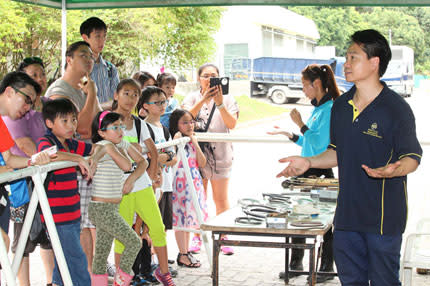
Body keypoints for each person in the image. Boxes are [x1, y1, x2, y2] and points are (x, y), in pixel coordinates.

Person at [277, 29, 422, 286]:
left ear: (374, 62)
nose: (346, 64)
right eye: (347, 57)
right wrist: (309, 162)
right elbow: (336, 152)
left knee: (383, 282)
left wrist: (394, 170)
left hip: (383, 219)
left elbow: (412, 157)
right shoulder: (341, 106)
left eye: (353, 57)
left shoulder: (396, 108)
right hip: (345, 219)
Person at [268, 64, 339, 283]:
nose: (303, 91)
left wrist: (299, 123)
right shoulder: (318, 109)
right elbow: (308, 142)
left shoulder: (331, 109)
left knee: (324, 222)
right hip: (306, 170)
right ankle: (296, 264)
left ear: (316, 84)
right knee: (297, 217)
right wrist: (290, 133)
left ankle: (326, 267)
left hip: (321, 171)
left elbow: (320, 144)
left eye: (304, 86)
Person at [45, 40, 102, 274]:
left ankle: (87, 274)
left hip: (83, 160)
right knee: (74, 230)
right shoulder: (60, 91)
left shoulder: (83, 89)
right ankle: (79, 275)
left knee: (87, 224)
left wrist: (91, 94)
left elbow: (98, 123)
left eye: (91, 57)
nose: (89, 60)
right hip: (69, 166)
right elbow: (86, 129)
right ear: (69, 59)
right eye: (83, 56)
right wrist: (93, 94)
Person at [111, 79, 175, 285]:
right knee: (124, 234)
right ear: (116, 95)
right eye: (126, 93)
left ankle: (164, 272)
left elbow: (153, 152)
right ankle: (122, 278)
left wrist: (153, 174)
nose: (130, 99)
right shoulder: (107, 120)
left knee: (156, 228)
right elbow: (106, 146)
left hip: (142, 184)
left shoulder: (140, 124)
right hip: (120, 187)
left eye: (135, 95)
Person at [37, 98, 105, 286]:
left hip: (73, 213)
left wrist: (93, 159)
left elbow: (98, 147)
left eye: (73, 120)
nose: (71, 125)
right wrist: (79, 159)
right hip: (57, 216)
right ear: (50, 123)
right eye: (64, 121)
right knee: (77, 259)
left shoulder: (71, 143)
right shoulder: (46, 141)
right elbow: (51, 155)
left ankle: (58, 283)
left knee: (65, 258)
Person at [2, 57, 55, 286]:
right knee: (5, 242)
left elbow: (10, 158)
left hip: (4, 199)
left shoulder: (2, 124)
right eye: (25, 100)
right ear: (9, 92)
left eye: (31, 103)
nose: (27, 108)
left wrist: (34, 161)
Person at [182, 63, 239, 255]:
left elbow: (232, 123)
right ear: (199, 78)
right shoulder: (191, 97)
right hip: (198, 155)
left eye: (213, 76)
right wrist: (203, 100)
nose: (209, 79)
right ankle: (199, 236)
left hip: (222, 155)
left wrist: (219, 102)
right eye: (205, 76)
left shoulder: (229, 98)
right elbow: (184, 119)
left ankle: (224, 236)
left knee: (221, 198)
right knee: (200, 198)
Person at [89, 111, 145, 286]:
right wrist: (107, 150)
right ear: (102, 132)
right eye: (115, 127)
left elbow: (143, 162)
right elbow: (127, 164)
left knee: (101, 252)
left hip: (111, 208)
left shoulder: (119, 143)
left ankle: (98, 282)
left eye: (121, 126)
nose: (120, 130)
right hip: (100, 208)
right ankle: (121, 282)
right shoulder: (104, 144)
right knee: (134, 242)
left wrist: (131, 179)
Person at [137, 86, 178, 286]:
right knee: (144, 229)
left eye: (164, 102)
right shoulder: (143, 128)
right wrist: (160, 157)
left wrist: (163, 157)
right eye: (157, 102)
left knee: (158, 229)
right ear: (145, 106)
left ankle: (153, 265)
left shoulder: (164, 128)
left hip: (165, 185)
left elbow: (172, 156)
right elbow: (148, 156)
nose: (163, 106)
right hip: (148, 186)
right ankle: (142, 269)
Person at [169, 109, 208, 268]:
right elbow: (173, 161)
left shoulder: (192, 140)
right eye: (185, 122)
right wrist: (177, 142)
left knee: (190, 217)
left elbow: (202, 163)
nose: (190, 125)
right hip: (180, 185)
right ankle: (183, 252)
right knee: (180, 218)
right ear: (176, 125)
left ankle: (185, 251)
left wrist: (195, 142)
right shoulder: (174, 140)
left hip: (194, 183)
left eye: (191, 121)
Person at [80, 16, 120, 110]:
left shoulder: (110, 69)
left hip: (106, 121)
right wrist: (103, 107)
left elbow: (118, 99)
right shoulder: (78, 69)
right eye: (97, 36)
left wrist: (98, 108)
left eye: (104, 36)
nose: (102, 41)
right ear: (85, 38)